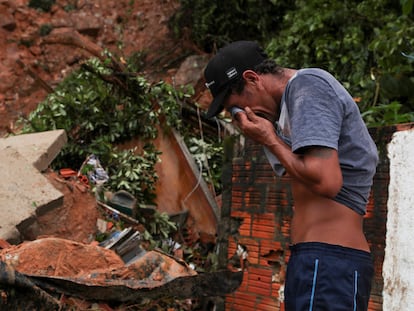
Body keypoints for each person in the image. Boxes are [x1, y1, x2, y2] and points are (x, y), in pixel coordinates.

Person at [203, 40, 378, 310]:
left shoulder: (308, 85)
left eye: (236, 107)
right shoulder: (288, 110)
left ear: (252, 79)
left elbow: (327, 181)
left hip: (330, 263)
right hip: (312, 261)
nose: (241, 115)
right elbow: (300, 173)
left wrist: (270, 140)